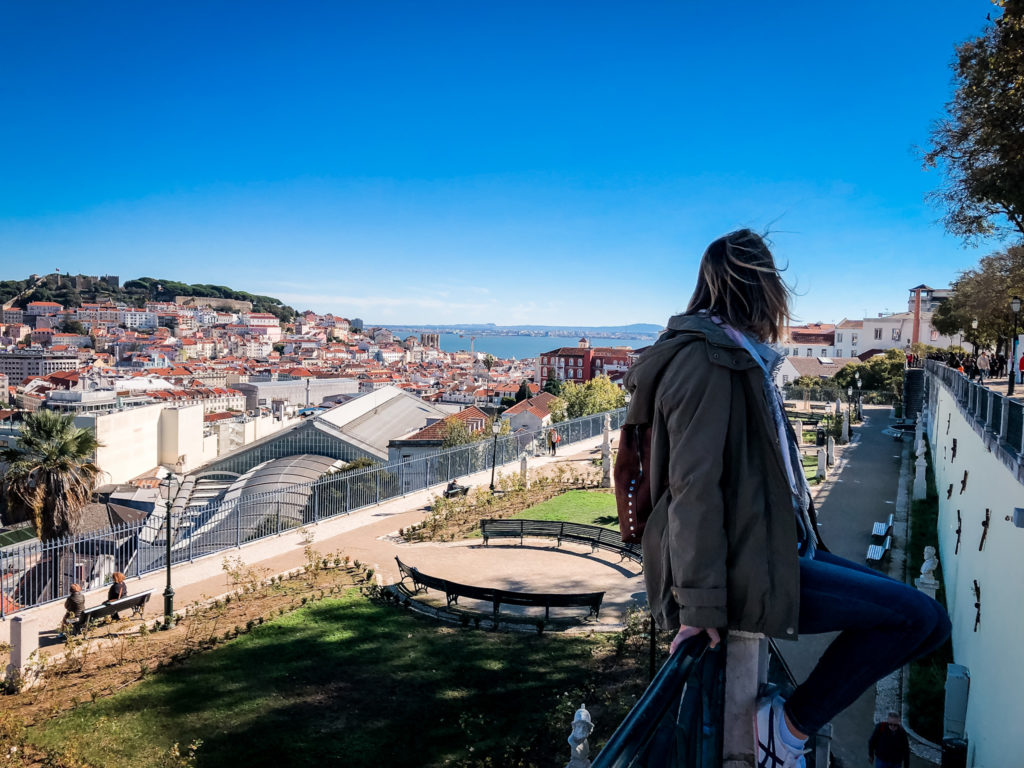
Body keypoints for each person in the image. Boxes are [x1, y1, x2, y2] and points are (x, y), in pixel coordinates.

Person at [624, 230, 950, 768]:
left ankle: (788, 724)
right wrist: (701, 605)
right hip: (746, 565)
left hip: (782, 548)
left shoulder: (740, 355)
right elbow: (693, 487)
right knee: (916, 618)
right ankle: (787, 729)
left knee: (926, 619)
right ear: (762, 287)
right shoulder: (707, 360)